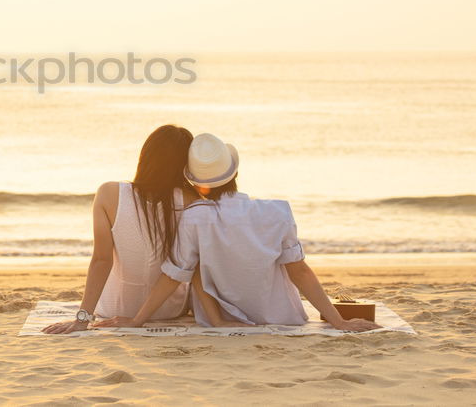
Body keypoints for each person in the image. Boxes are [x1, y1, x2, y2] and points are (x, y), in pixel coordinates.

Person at [94, 133, 381, 332]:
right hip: (285, 317)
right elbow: (300, 272)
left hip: (218, 317)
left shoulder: (195, 217)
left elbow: (176, 275)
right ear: (234, 172)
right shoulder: (278, 211)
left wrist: (137, 320)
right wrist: (337, 320)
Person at [42, 125, 198, 334]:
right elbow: (182, 268)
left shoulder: (109, 193)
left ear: (145, 156)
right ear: (185, 164)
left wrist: (82, 320)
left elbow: (101, 260)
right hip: (168, 310)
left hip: (113, 308)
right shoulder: (193, 201)